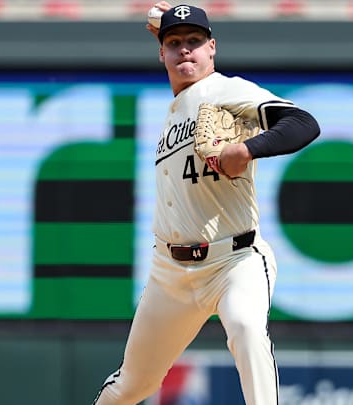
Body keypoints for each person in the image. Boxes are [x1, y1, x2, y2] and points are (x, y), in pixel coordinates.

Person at [92, 3, 320, 404]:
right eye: (175, 44)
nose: (185, 51)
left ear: (211, 48)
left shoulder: (223, 89)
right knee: (133, 385)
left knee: (247, 329)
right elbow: (168, 34)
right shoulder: (178, 104)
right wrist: (161, 24)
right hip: (171, 272)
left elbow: (303, 123)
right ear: (160, 53)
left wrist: (248, 149)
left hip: (234, 261)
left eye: (195, 42)